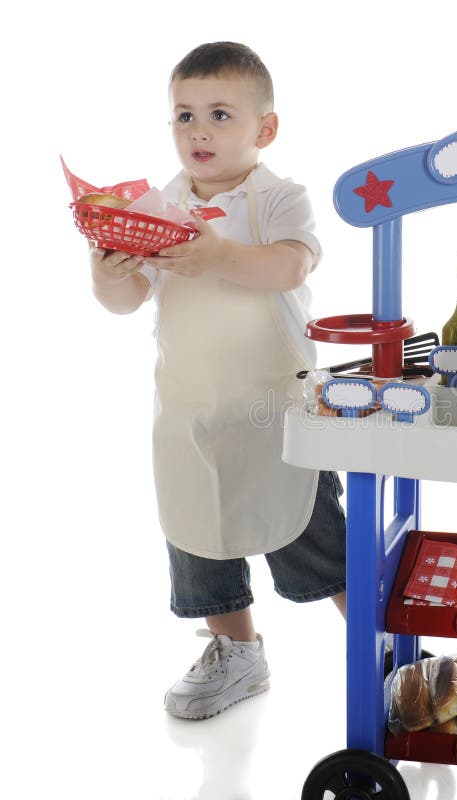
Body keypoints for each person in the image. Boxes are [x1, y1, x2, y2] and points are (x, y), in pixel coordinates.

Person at [89, 41, 347, 719]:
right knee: (197, 526)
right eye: (183, 116)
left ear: (265, 129)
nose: (198, 130)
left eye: (220, 114)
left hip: (275, 406)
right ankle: (237, 651)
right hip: (190, 406)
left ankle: (381, 644)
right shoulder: (158, 205)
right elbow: (127, 300)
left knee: (311, 529)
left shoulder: (280, 199)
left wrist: (221, 254)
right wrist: (108, 271)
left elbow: (290, 268)